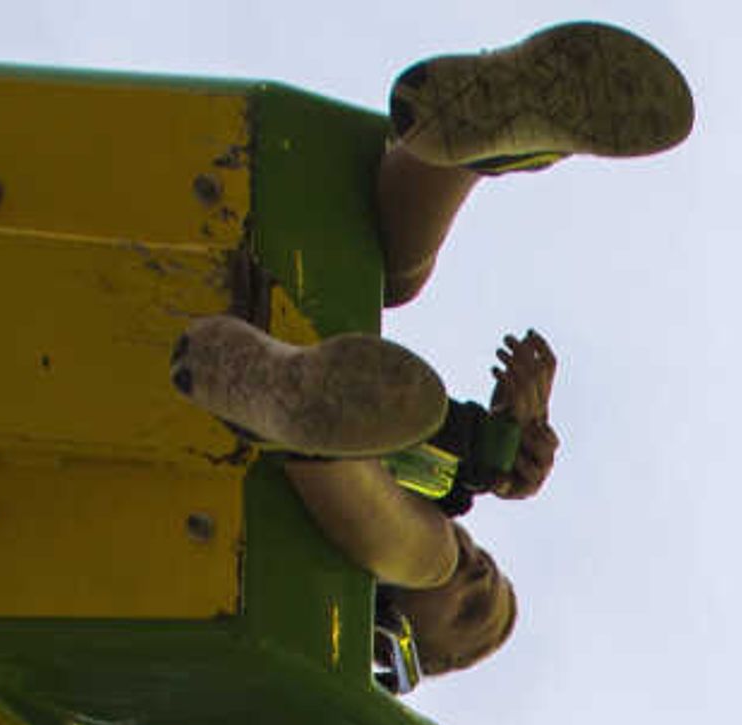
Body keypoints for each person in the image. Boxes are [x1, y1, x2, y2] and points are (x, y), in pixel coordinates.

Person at [165, 23, 695, 684]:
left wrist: (449, 536)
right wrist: (500, 444)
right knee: (391, 272)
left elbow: (419, 547)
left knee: (428, 553)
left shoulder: (345, 588)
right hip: (249, 352)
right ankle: (463, 141)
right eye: (485, 563)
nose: (475, 566)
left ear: (402, 646)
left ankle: (291, 420)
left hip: (221, 447)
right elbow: (405, 432)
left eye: (469, 609)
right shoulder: (418, 487)